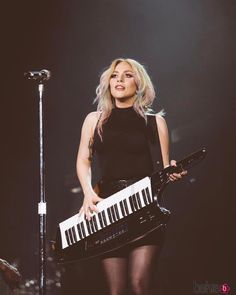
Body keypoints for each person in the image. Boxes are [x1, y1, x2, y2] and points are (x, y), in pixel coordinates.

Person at [76, 58, 186, 295]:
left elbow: (164, 169)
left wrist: (173, 170)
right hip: (108, 208)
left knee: (139, 286)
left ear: (139, 83)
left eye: (127, 75)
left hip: (145, 208)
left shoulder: (156, 122)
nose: (120, 80)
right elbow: (84, 159)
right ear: (108, 82)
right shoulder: (94, 120)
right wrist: (87, 193)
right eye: (115, 75)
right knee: (116, 290)